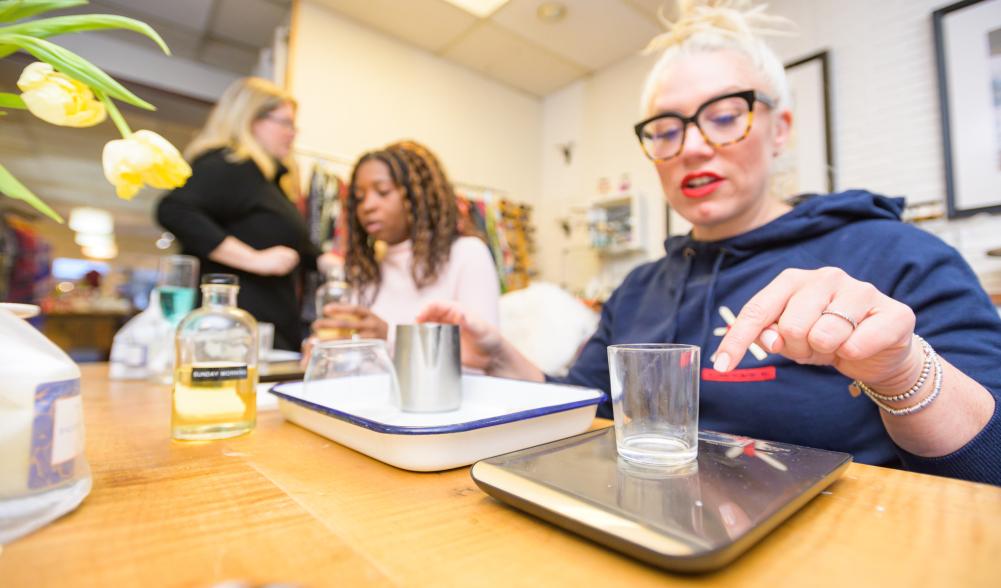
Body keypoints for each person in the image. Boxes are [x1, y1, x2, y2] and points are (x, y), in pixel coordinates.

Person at [419, 0, 1001, 485]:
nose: (692, 147)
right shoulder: (640, 288)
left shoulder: (898, 257)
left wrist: (900, 370)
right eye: (666, 130)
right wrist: (500, 358)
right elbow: (589, 408)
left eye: (724, 116)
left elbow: (991, 467)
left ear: (781, 130)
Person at [156, 77, 335, 350]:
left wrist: (325, 260)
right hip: (232, 335)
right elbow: (175, 210)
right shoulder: (231, 165)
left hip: (264, 329)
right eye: (285, 123)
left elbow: (292, 243)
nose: (292, 133)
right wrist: (254, 259)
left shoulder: (269, 181)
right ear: (251, 119)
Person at [311, 140, 500, 343]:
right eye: (359, 197)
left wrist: (390, 337)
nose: (367, 206)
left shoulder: (467, 255)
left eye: (382, 192)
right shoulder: (367, 272)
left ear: (418, 196)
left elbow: (484, 355)